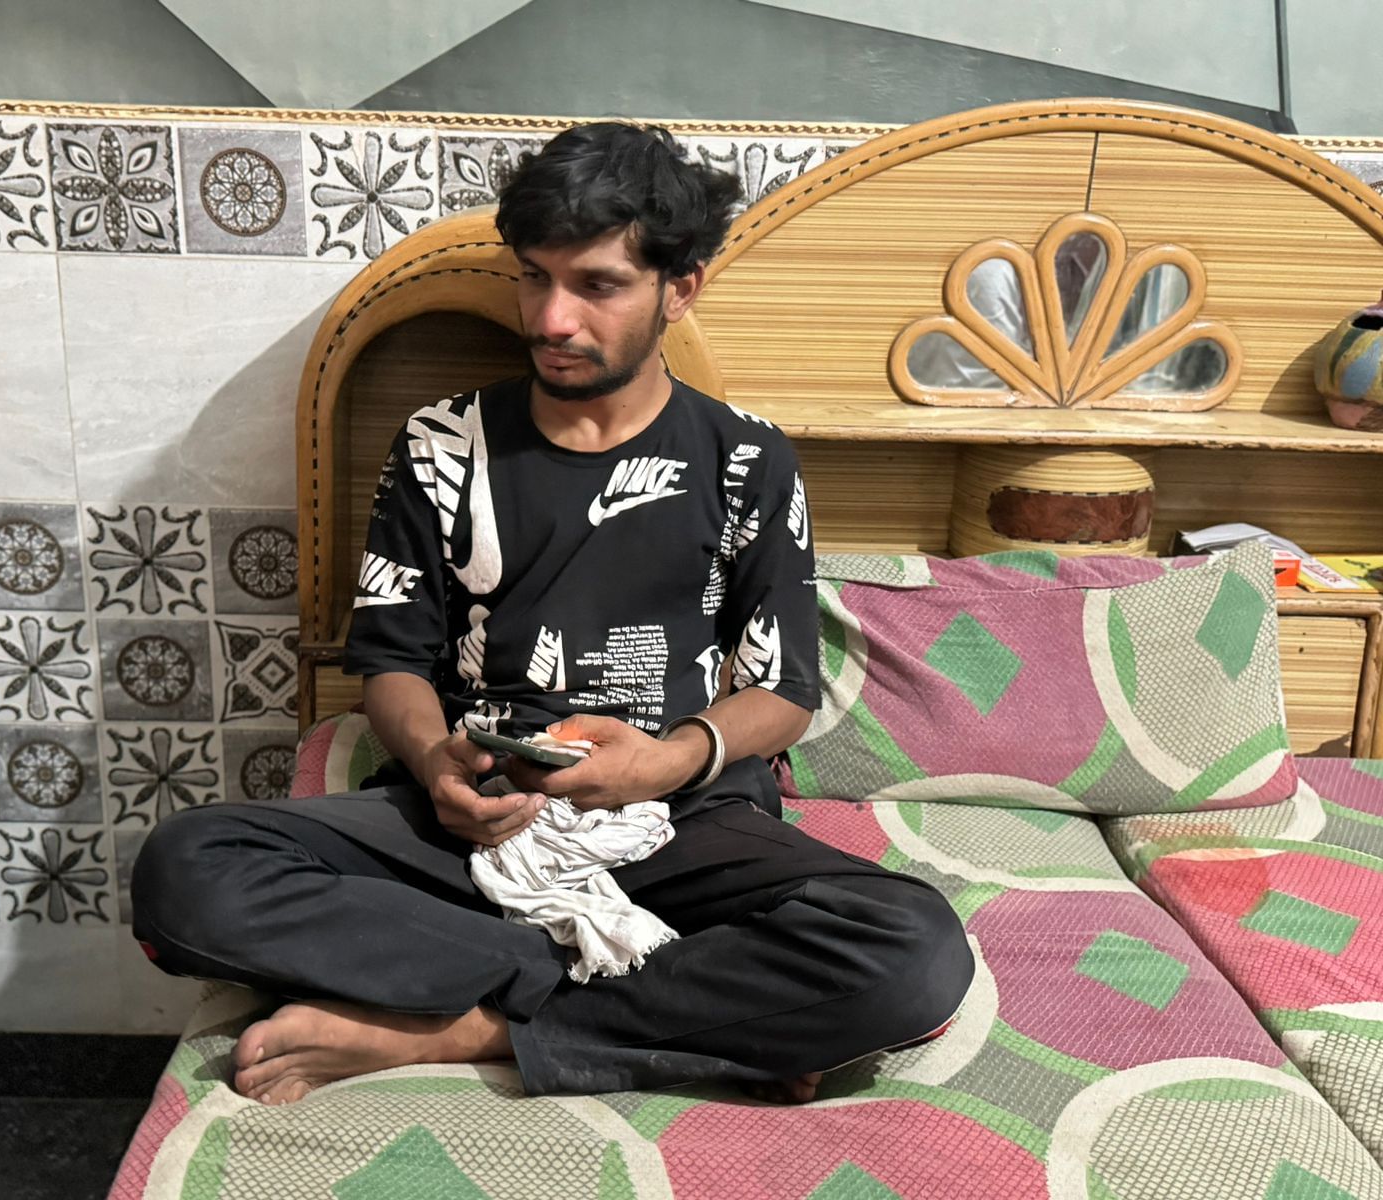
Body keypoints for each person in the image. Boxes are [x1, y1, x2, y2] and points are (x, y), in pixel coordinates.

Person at [131, 122, 974, 1106]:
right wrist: (436, 762)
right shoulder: (442, 444)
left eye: (597, 285)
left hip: (680, 822)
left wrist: (660, 762)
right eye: (534, 278)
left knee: (909, 950)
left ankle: (461, 1032)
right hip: (483, 816)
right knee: (185, 872)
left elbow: (783, 687)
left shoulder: (746, 459)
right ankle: (673, 1006)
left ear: (681, 286)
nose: (552, 318)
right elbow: (392, 664)